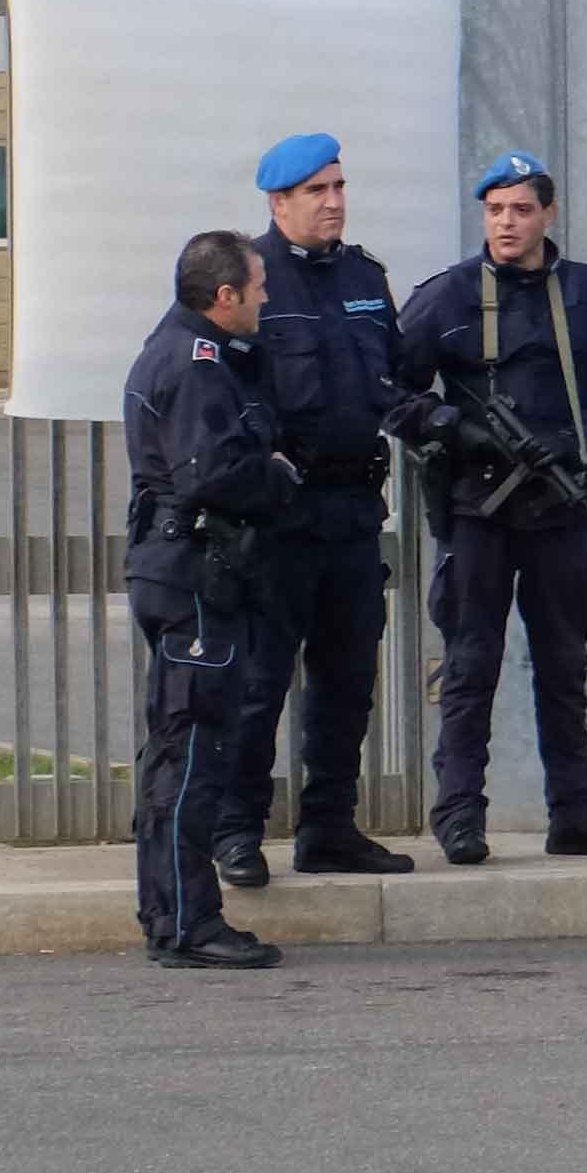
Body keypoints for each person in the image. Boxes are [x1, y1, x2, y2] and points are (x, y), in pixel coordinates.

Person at [393, 151, 587, 869]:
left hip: (560, 509)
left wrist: (576, 453)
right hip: (479, 508)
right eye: (496, 210)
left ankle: (576, 812)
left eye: (521, 209)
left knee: (565, 665)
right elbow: (392, 388)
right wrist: (452, 426)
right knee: (471, 665)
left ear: (549, 214)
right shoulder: (447, 296)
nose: (507, 223)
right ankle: (459, 815)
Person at [222, 133, 413, 885]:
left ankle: (329, 827)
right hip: (283, 520)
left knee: (346, 681)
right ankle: (236, 831)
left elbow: (394, 374)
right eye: (316, 191)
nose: (333, 202)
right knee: (260, 682)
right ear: (279, 202)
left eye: (338, 187)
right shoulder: (252, 281)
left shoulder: (365, 277)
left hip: (355, 512)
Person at [124, 232, 298, 971]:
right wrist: (277, 476)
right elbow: (209, 475)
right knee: (192, 753)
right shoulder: (195, 367)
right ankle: (190, 922)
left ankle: (171, 913)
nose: (265, 297)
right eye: (257, 287)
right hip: (194, 576)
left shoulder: (184, 351)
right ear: (223, 297)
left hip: (182, 572)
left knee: (178, 747)